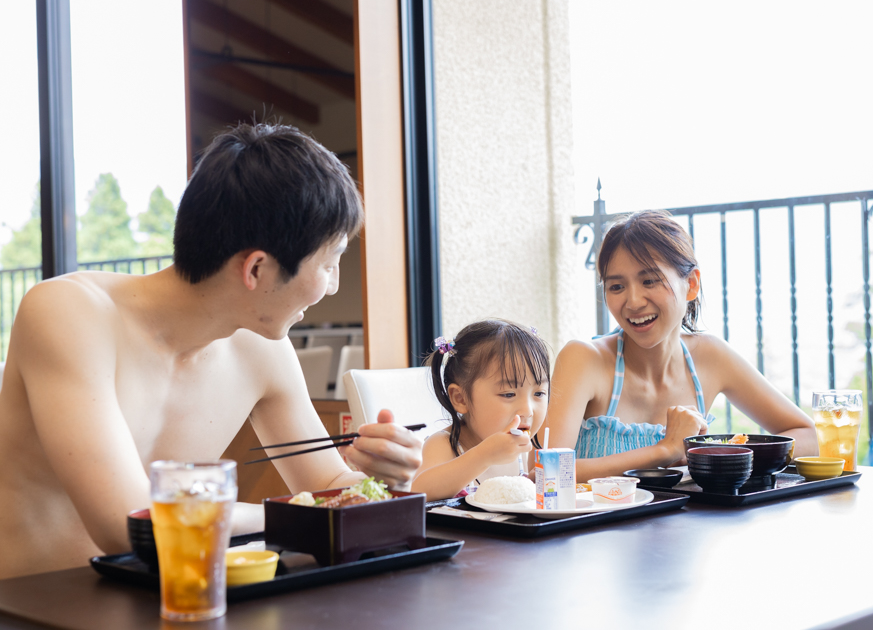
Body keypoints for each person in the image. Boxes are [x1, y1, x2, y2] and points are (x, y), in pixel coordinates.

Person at [0, 123, 422, 579]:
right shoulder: (69, 313)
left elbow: (327, 485)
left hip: (179, 601)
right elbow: (129, 527)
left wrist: (380, 485)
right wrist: (305, 515)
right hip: (35, 607)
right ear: (256, 269)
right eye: (328, 262)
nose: (333, 284)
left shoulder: (261, 349)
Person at [542, 210, 816, 482]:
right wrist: (664, 451)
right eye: (616, 287)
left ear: (691, 284)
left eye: (649, 280)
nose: (633, 301)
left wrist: (719, 453)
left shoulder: (710, 357)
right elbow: (544, 470)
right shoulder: (584, 359)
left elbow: (808, 435)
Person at [411, 320, 549, 501]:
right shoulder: (445, 444)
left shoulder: (521, 448)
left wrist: (530, 484)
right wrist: (484, 455)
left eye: (539, 393)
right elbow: (419, 491)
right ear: (460, 399)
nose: (528, 410)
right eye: (508, 394)